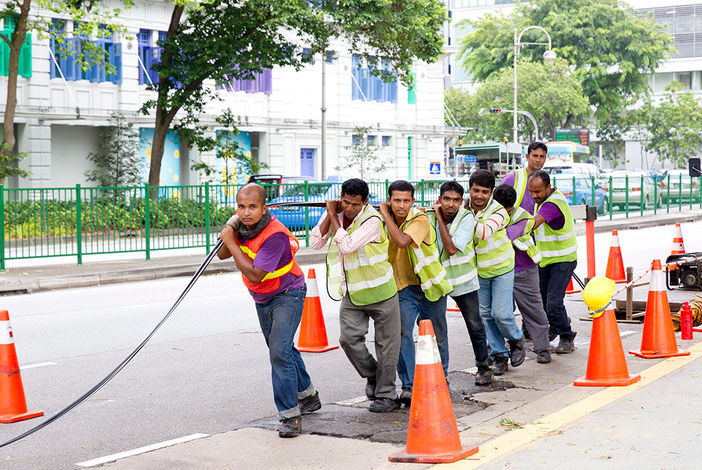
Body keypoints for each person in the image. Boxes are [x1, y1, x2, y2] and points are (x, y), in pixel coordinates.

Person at [218, 183, 320, 438]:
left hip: (288, 293)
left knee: (279, 352)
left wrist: (230, 240)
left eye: (252, 207)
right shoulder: (242, 227)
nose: (246, 212)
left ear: (264, 208)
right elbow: (221, 254)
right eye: (241, 207)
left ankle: (290, 416)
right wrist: (231, 230)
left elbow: (255, 274)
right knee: (282, 349)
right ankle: (308, 396)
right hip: (262, 297)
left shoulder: (275, 235)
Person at [310, 178, 401, 413]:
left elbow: (347, 245)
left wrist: (333, 216)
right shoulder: (336, 214)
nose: (349, 208)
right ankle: (374, 375)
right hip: (353, 293)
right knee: (348, 339)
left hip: (381, 291)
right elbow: (315, 243)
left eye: (355, 204)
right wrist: (331, 215)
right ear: (341, 198)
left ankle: (387, 395)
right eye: (345, 202)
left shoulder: (372, 219)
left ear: (365, 202)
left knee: (387, 346)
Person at [379, 180, 453, 406]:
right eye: (396, 200)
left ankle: (440, 380)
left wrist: (385, 214)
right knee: (402, 334)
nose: (401, 205)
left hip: (430, 286)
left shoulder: (419, 219)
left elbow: (402, 241)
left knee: (435, 336)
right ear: (389, 200)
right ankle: (410, 386)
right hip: (404, 288)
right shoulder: (381, 222)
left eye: (406, 201)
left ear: (412, 201)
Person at [428, 181, 493, 385]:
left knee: (474, 325)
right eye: (446, 199)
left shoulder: (466, 218)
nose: (451, 204)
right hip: (438, 282)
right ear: (439, 199)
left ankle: (484, 366)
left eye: (456, 200)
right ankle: (441, 374)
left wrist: (439, 218)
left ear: (461, 201)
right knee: (437, 330)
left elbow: (451, 249)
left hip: (463, 281)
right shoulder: (427, 217)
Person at [466, 170, 524, 376]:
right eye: (476, 190)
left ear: (491, 193)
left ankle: (516, 339)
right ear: (469, 189)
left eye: (485, 192)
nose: (479, 196)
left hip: (502, 268)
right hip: (480, 270)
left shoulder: (499, 211)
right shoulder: (465, 208)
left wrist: (459, 216)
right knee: (486, 316)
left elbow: (484, 232)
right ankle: (499, 355)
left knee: (501, 314)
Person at [492, 183, 552, 364]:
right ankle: (500, 351)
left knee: (533, 310)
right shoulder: (488, 214)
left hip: (523, 269)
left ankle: (543, 348)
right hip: (497, 270)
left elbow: (507, 236)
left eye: (508, 211)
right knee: (499, 314)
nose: (506, 214)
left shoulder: (522, 216)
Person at [528, 170, 579, 354]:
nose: (534, 196)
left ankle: (566, 336)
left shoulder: (552, 204)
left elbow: (532, 224)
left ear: (548, 187)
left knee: (554, 303)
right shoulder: (542, 200)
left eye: (538, 192)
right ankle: (558, 324)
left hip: (563, 260)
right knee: (542, 301)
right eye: (531, 192)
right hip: (546, 260)